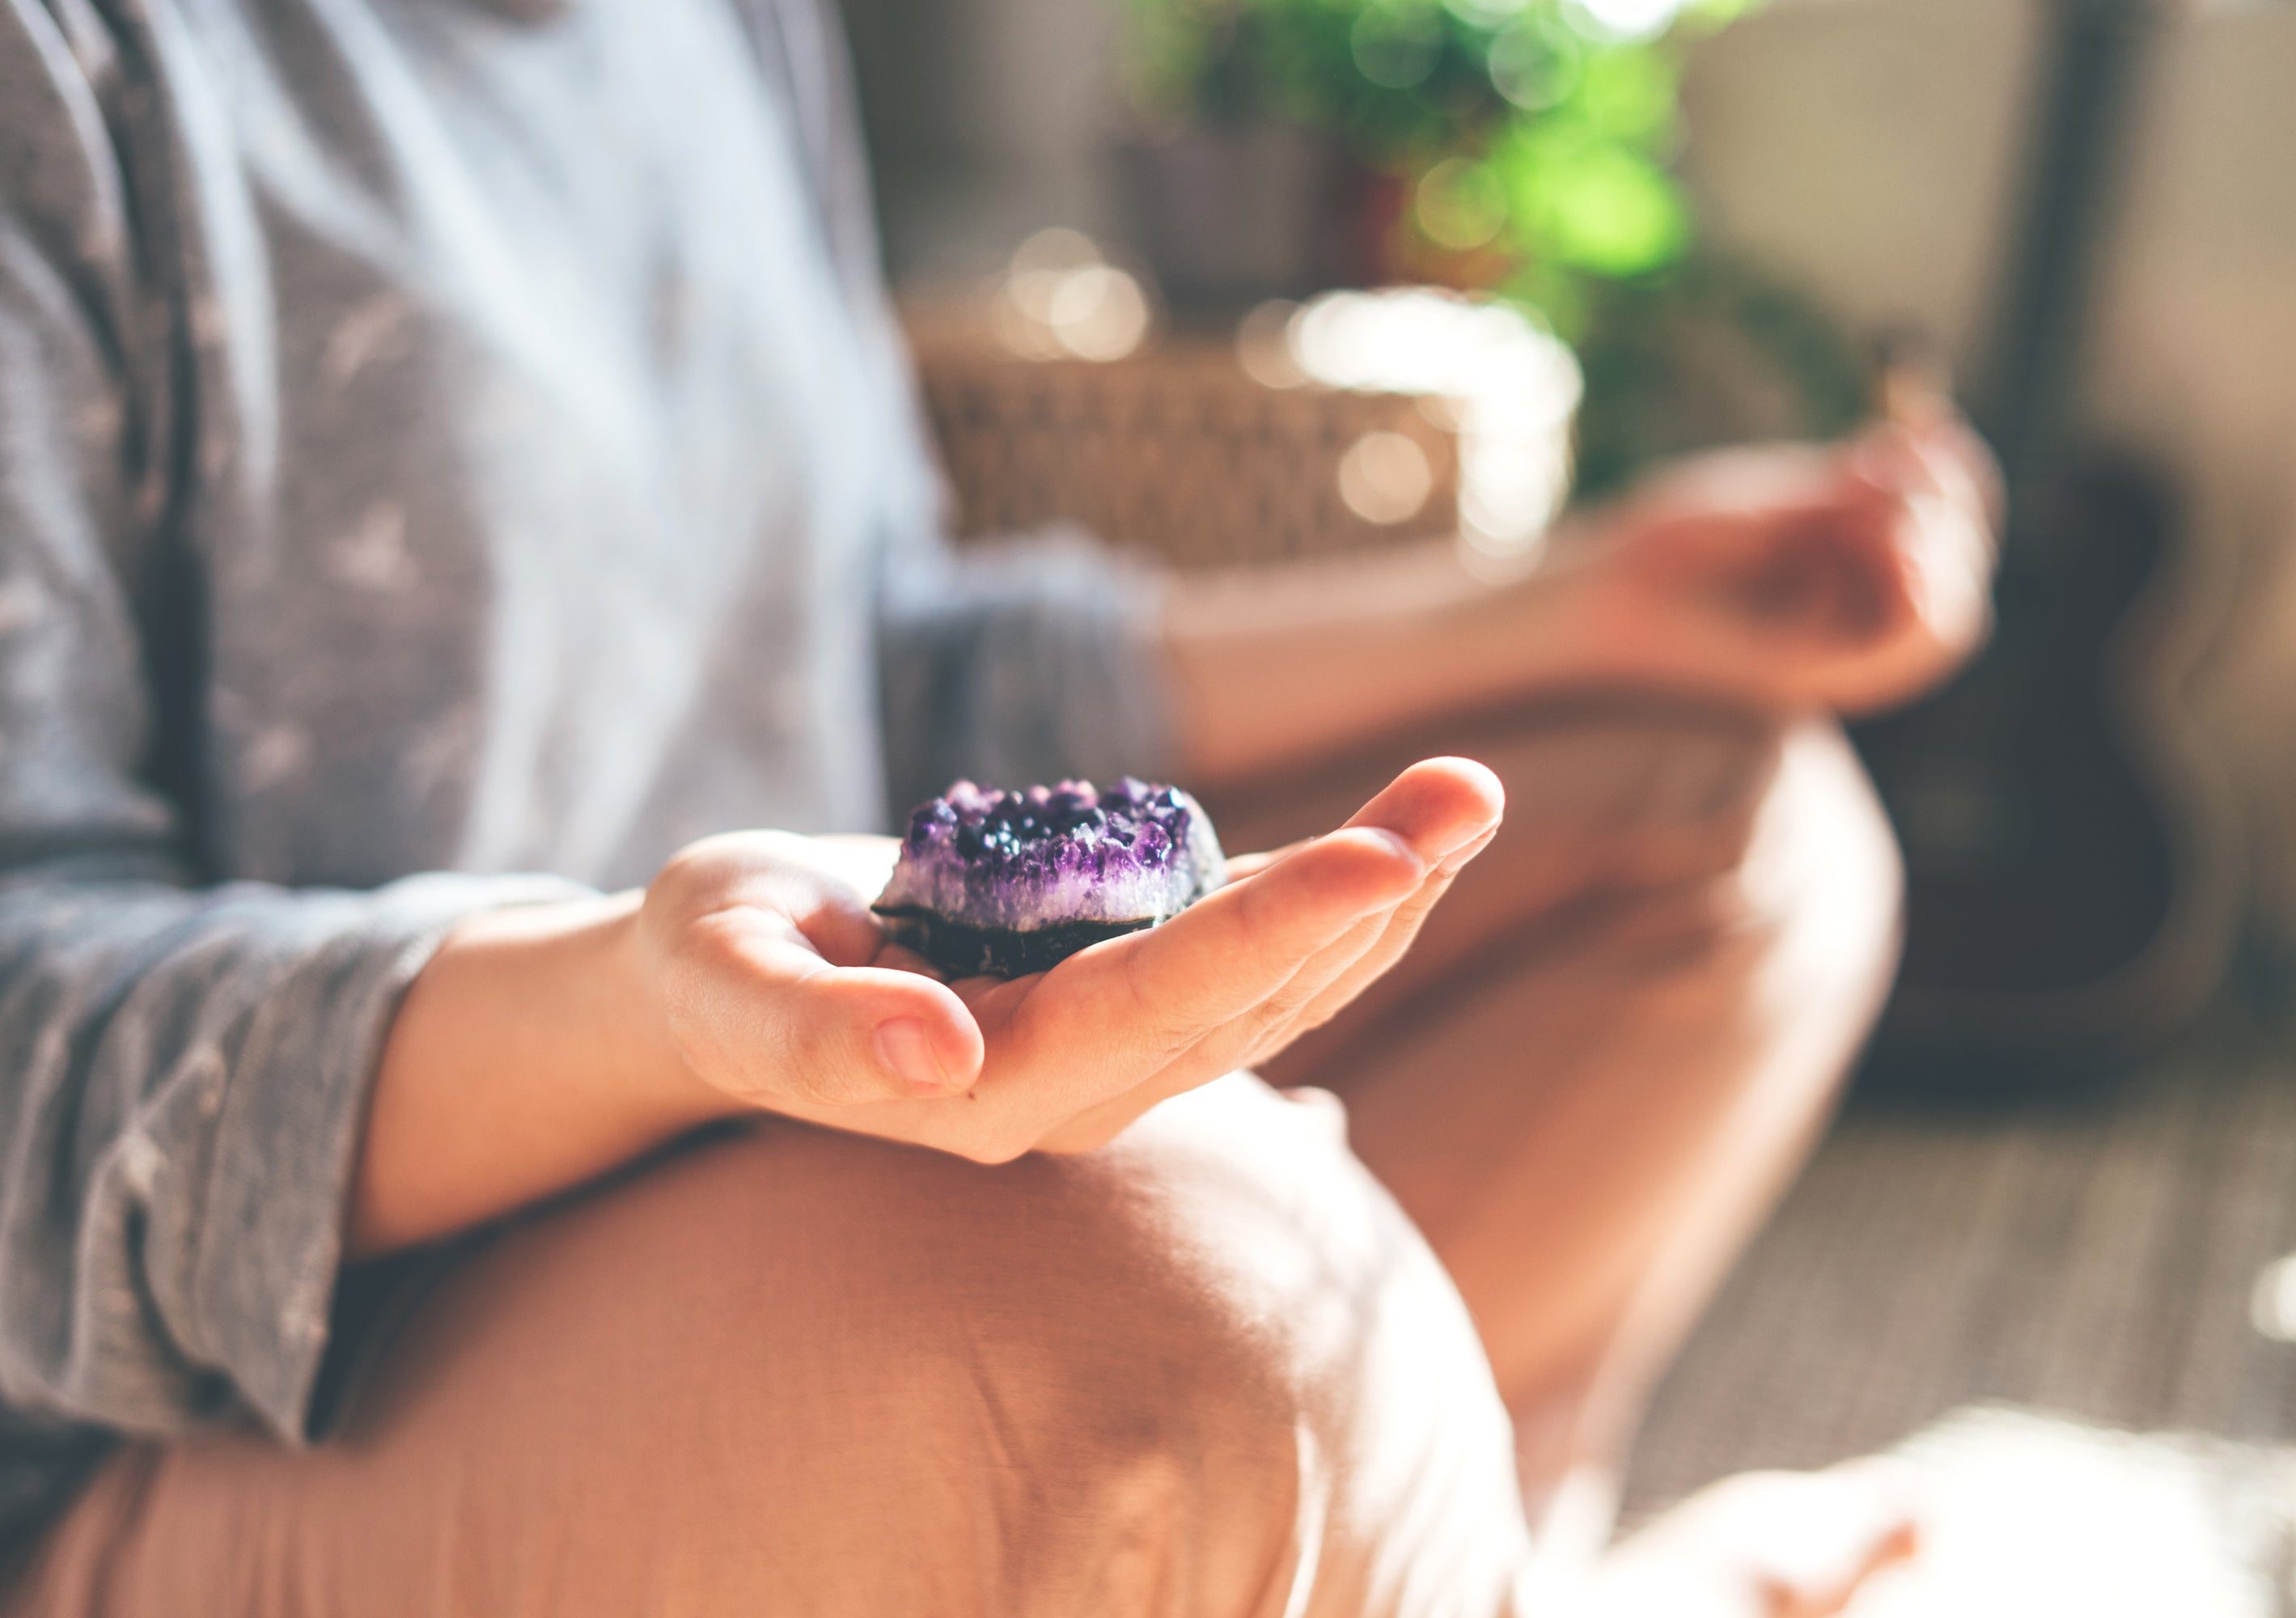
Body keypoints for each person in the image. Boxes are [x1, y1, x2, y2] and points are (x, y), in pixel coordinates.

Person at [0, 0, 1996, 1612]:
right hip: (197, 1407)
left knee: (1729, 826)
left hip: (759, 1057)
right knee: (1184, 1306)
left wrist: (1587, 598)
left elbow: (877, 654)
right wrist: (637, 1006)